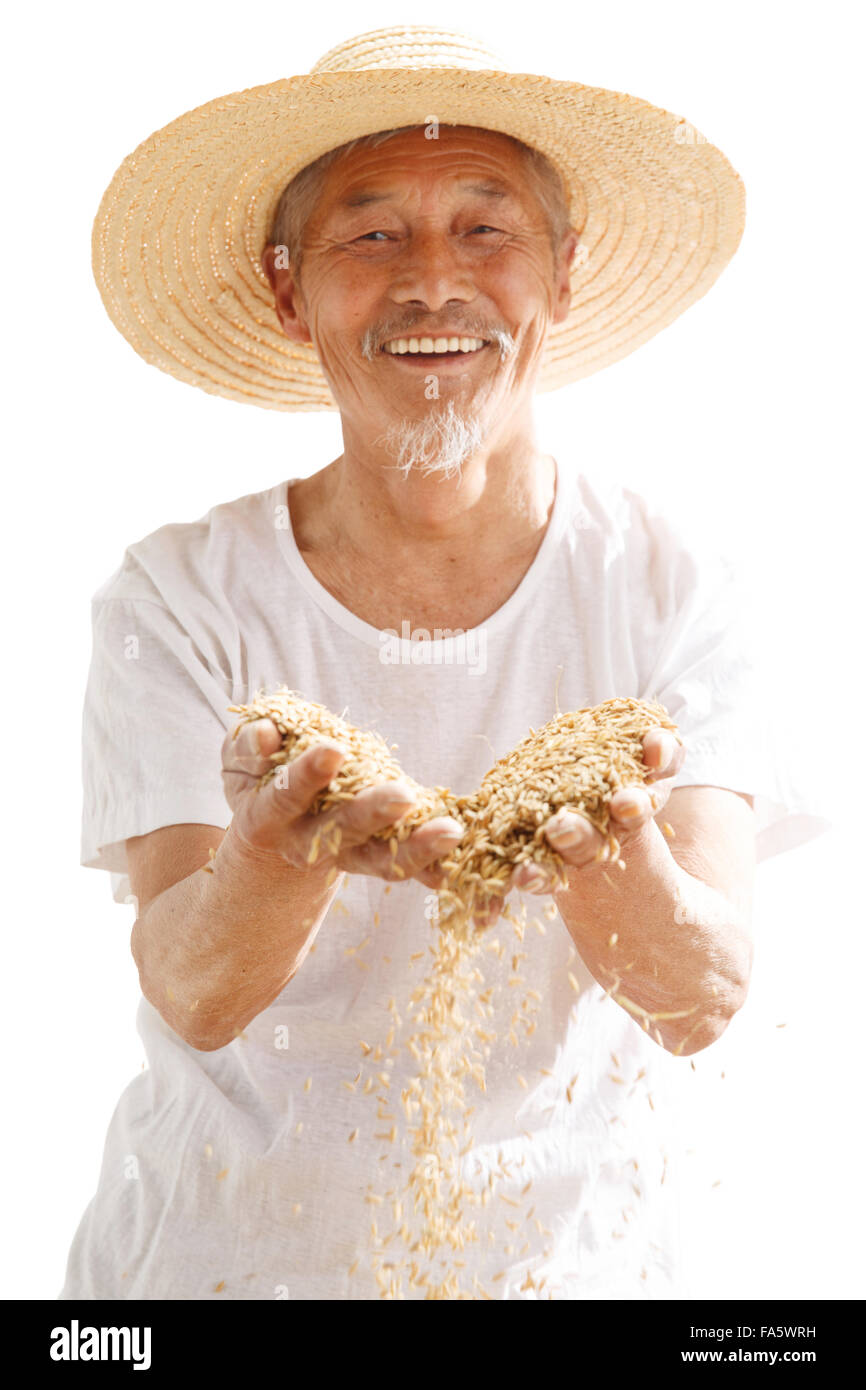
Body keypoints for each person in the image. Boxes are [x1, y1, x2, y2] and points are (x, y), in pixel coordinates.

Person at [60, 25, 828, 1301]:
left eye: (486, 229)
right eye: (370, 234)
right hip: (222, 1274)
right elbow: (193, 990)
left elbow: (699, 997)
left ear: (563, 276)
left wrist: (601, 844)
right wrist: (273, 845)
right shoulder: (180, 595)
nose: (431, 283)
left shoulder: (678, 588)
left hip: (582, 1271)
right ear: (289, 290)